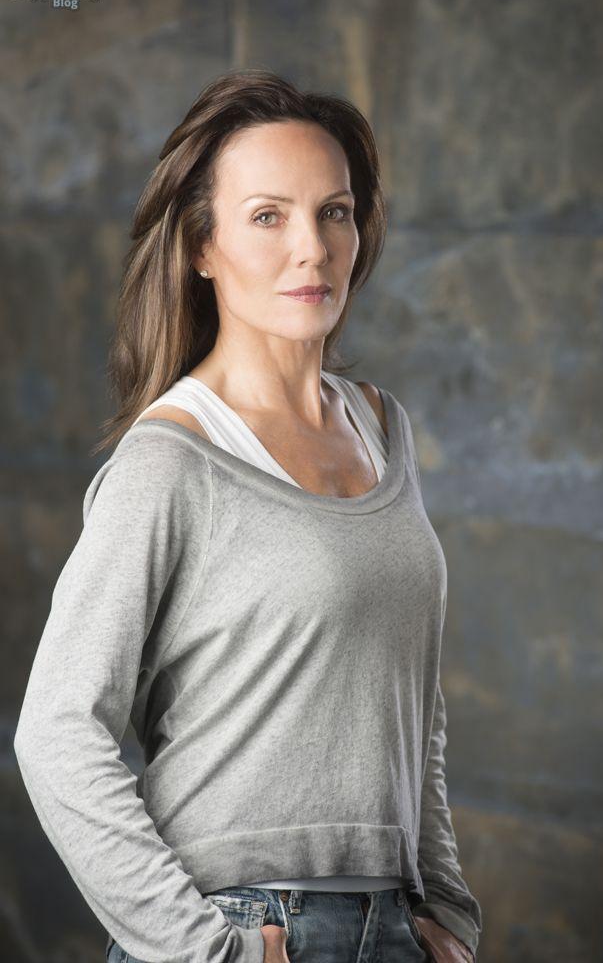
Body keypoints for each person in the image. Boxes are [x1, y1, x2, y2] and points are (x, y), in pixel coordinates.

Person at [13, 69, 483, 963]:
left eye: (334, 212)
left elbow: (410, 699)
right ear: (202, 246)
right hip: (244, 929)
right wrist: (201, 949)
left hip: (393, 926)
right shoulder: (168, 461)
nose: (312, 247)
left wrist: (446, 909)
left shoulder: (382, 427)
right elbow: (56, 732)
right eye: (268, 216)